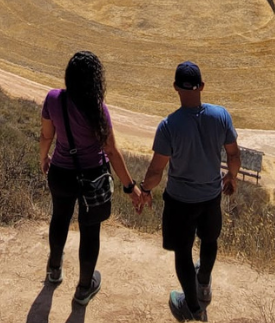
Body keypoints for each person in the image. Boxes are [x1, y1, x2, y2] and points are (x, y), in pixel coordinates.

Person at [135, 61, 240, 322]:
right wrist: (232, 177)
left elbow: (156, 171)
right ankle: (203, 283)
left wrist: (145, 190)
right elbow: (234, 154)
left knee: (183, 251)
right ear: (202, 86)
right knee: (210, 240)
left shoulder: (168, 126)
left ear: (175, 88)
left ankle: (192, 308)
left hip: (180, 201)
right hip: (211, 196)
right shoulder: (221, 116)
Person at [39, 50, 144, 306]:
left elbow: (46, 136)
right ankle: (84, 288)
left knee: (59, 219)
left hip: (61, 172)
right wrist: (130, 187)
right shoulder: (98, 109)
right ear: (95, 80)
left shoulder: (53, 99)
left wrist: (43, 158)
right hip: (93, 180)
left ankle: (54, 270)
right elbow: (111, 151)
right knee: (90, 232)